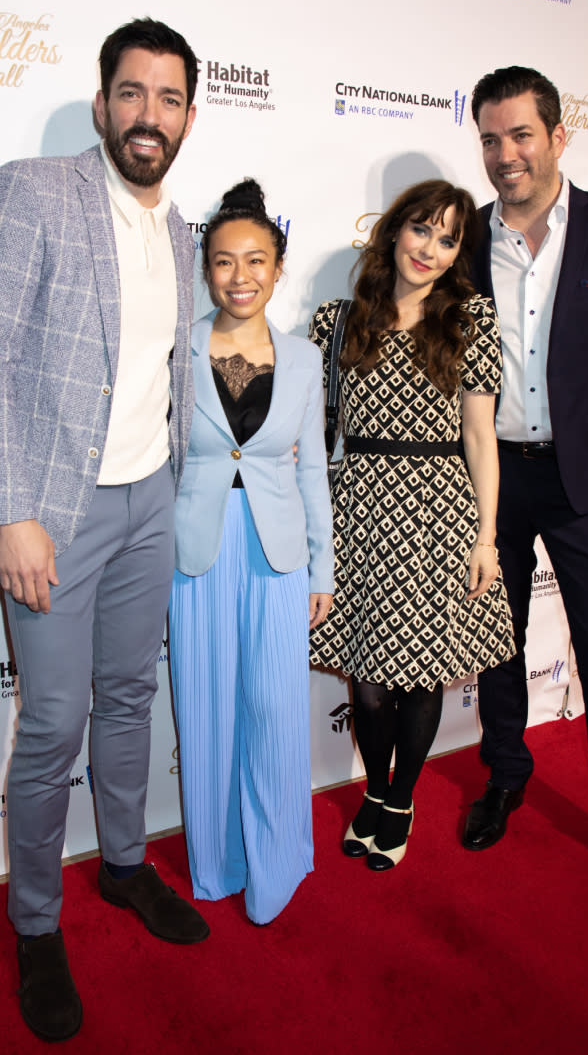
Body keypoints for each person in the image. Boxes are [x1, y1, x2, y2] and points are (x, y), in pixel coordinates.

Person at [0, 18, 209, 1043]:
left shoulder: (180, 231)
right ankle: (36, 922)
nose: (148, 116)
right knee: (50, 725)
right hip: (55, 511)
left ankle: (122, 866)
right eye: (132, 94)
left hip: (147, 504)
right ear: (101, 102)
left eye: (169, 100)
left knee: (130, 696)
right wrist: (13, 511)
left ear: (188, 118)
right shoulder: (35, 191)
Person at [462, 66, 588, 900]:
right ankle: (505, 775)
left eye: (521, 135)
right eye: (491, 138)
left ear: (559, 136)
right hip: (495, 478)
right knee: (498, 651)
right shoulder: (462, 238)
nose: (506, 155)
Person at [309, 180, 515, 871]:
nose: (430, 248)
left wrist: (486, 536)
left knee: (421, 672)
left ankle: (401, 798)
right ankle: (376, 789)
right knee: (367, 676)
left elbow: (481, 438)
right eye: (422, 229)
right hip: (360, 507)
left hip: (437, 511)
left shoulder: (469, 319)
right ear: (395, 229)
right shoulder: (339, 320)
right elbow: (313, 434)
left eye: (449, 238)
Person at [169, 179, 333, 925]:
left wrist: (321, 566)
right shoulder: (178, 347)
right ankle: (217, 864)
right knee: (204, 711)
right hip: (194, 549)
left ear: (279, 265)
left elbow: (310, 469)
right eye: (225, 262)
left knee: (273, 710)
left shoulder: (303, 360)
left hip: (276, 552)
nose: (241, 277)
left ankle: (276, 863)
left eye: (256, 260)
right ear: (206, 270)